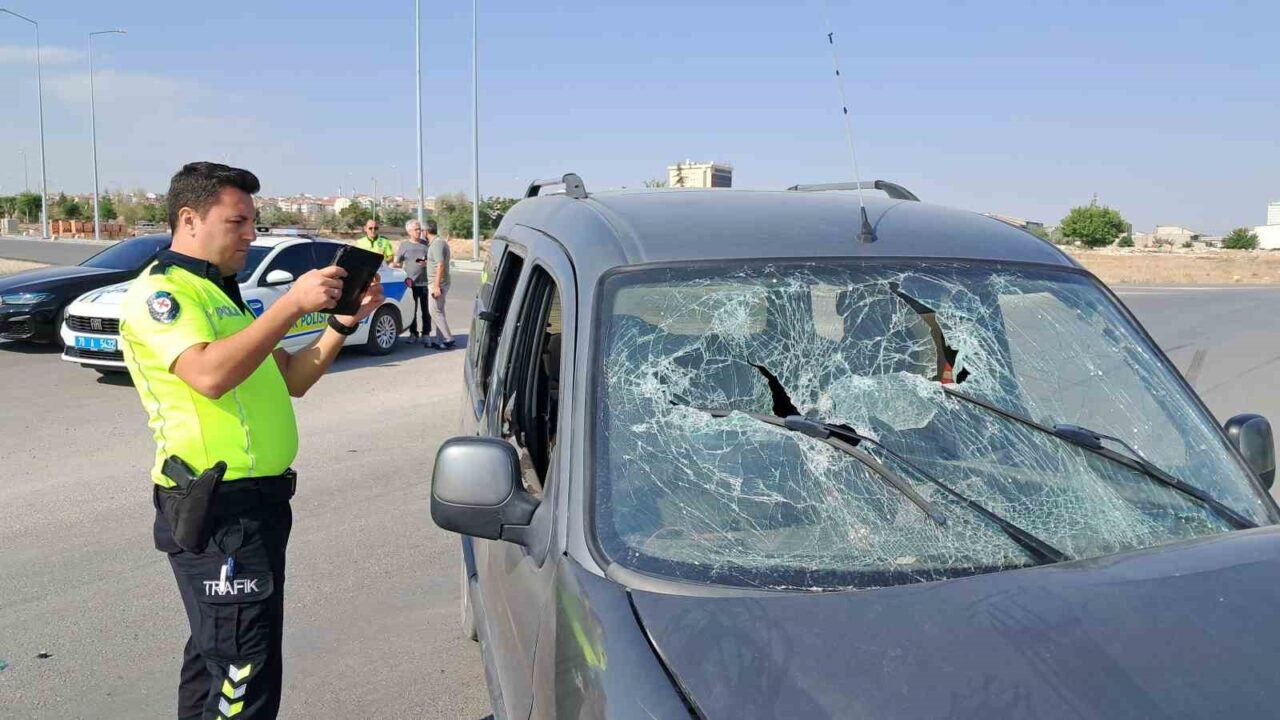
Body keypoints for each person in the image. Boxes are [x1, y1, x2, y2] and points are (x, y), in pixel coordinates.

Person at [119, 162, 383, 720]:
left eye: (253, 222)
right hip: (219, 510)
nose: (250, 235)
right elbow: (209, 375)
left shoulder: (226, 296)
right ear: (189, 219)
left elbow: (294, 379)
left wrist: (340, 323)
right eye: (237, 221)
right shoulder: (162, 295)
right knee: (244, 673)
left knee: (216, 660)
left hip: (257, 506)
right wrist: (290, 304)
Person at [393, 218, 432, 344]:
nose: (419, 231)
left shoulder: (426, 244)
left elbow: (433, 261)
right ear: (409, 231)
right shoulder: (404, 246)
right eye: (416, 229)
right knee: (412, 310)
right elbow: (397, 263)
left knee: (426, 310)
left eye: (420, 229)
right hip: (410, 284)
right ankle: (413, 333)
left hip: (425, 283)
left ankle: (426, 333)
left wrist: (427, 263)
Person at [424, 219, 454, 349]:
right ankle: (440, 339)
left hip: (438, 283)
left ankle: (448, 338)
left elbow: (440, 264)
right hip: (441, 282)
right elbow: (437, 263)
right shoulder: (439, 243)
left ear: (426, 231)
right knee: (439, 311)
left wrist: (436, 286)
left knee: (434, 311)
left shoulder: (437, 244)